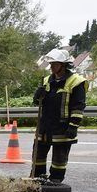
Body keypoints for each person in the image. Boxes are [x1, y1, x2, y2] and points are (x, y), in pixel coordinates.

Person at [31, 48, 87, 182]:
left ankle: (56, 182)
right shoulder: (46, 80)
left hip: (63, 126)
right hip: (45, 126)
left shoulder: (76, 82)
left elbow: (78, 107)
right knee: (38, 154)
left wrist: (73, 126)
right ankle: (37, 180)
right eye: (51, 64)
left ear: (63, 65)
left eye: (54, 64)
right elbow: (37, 102)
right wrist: (37, 96)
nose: (51, 67)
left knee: (59, 158)